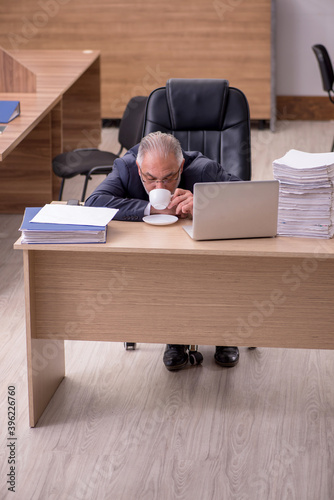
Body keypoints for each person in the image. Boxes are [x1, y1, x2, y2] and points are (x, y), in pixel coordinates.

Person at [86, 131, 241, 371]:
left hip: (204, 252)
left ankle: (224, 333)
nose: (160, 187)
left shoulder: (203, 170)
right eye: (150, 179)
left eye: (168, 178)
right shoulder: (126, 167)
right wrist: (151, 209)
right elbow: (95, 202)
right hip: (157, 253)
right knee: (166, 275)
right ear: (139, 169)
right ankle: (174, 337)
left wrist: (204, 202)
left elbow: (248, 198)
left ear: (180, 167)